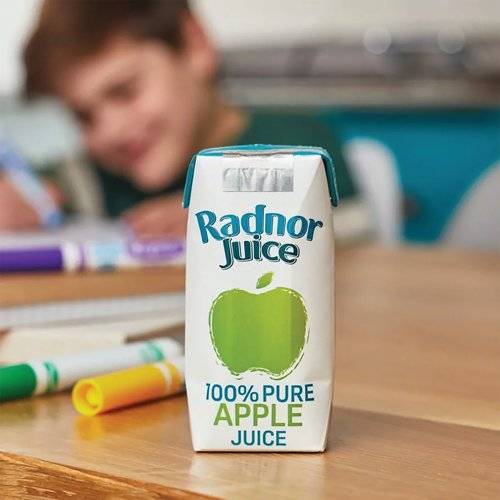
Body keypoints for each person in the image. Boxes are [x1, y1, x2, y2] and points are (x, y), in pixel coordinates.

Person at [1, 0, 356, 237]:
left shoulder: (300, 143)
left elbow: (346, 224)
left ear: (194, 44)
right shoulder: (92, 176)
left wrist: (239, 218)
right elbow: (38, 188)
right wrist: (23, 200)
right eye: (83, 117)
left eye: (125, 91)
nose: (110, 132)